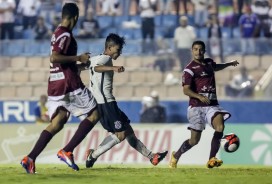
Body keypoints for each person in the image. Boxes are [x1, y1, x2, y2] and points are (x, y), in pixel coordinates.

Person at [20, 3, 101, 174]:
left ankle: (30, 158)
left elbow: (61, 61)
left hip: (55, 84)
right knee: (95, 113)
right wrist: (79, 56)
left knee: (58, 122)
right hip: (68, 84)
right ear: (76, 17)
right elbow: (54, 57)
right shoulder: (65, 34)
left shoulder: (56, 33)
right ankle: (67, 150)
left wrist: (79, 65)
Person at [85, 33, 168, 168]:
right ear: (110, 47)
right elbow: (96, 68)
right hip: (106, 104)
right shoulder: (105, 59)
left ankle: (152, 157)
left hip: (104, 103)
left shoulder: (94, 58)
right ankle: (93, 155)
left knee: (128, 130)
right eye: (118, 50)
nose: (120, 53)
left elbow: (89, 67)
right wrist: (114, 68)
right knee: (121, 134)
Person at [169, 40, 239, 169]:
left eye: (200, 49)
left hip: (212, 105)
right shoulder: (189, 70)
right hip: (196, 107)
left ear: (204, 51)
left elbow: (216, 67)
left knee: (220, 127)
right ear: (192, 51)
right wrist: (199, 96)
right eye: (195, 49)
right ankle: (176, 155)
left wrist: (229, 64)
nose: (198, 52)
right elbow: (186, 90)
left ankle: (211, 159)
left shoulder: (209, 63)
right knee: (194, 141)